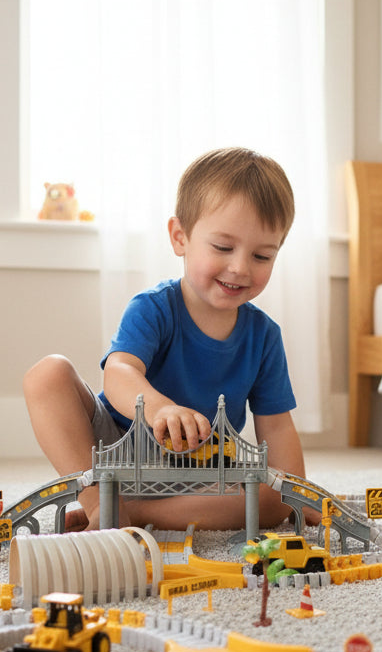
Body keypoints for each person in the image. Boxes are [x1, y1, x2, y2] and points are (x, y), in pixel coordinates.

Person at [23, 146, 310, 531]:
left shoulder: (264, 336)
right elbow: (119, 371)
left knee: (276, 497)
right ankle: (99, 503)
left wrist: (300, 496)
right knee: (47, 374)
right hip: (118, 451)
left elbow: (277, 427)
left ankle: (135, 513)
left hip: (202, 470)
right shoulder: (153, 308)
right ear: (180, 237)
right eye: (223, 247)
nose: (240, 267)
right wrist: (159, 409)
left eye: (262, 256)